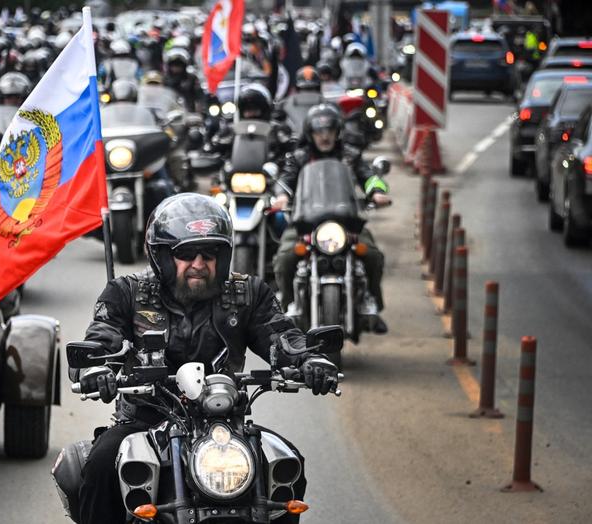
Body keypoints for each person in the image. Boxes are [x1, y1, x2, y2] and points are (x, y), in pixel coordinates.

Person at [76, 193, 339, 524]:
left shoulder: (248, 293)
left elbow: (281, 336)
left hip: (226, 424)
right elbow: (103, 336)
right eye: (185, 253)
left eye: (210, 253)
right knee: (101, 465)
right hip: (144, 419)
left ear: (224, 256)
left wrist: (308, 361)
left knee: (287, 464)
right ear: (162, 256)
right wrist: (98, 365)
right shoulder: (126, 292)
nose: (199, 263)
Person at [272, 104, 390, 333]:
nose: (324, 137)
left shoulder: (350, 155)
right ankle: (287, 307)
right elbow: (285, 181)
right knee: (285, 258)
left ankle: (372, 303)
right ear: (310, 133)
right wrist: (281, 197)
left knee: (373, 255)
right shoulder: (299, 158)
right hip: (306, 221)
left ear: (338, 132)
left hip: (346, 220)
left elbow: (368, 176)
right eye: (319, 132)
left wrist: (377, 191)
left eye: (329, 131)